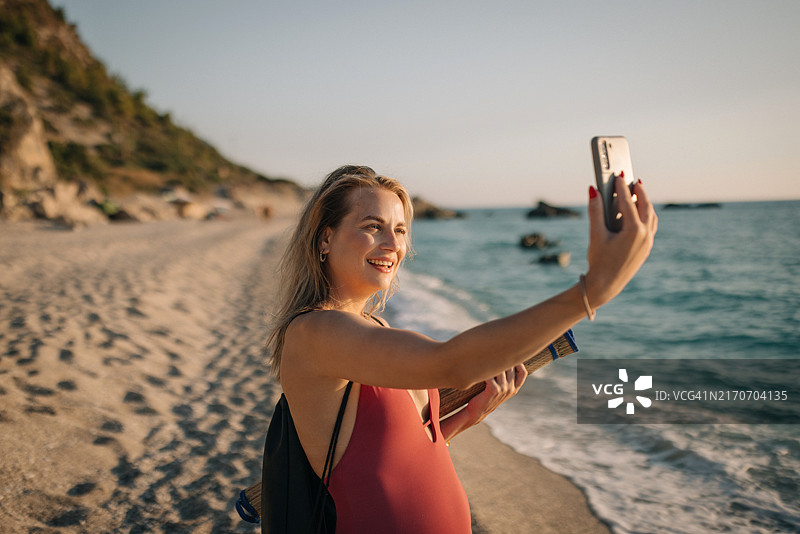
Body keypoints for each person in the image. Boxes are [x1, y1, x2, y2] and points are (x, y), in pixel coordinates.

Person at [267, 165, 657, 533]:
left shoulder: (377, 328)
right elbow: (451, 363)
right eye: (373, 226)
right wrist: (590, 292)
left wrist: (467, 418)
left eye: (401, 229)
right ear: (325, 237)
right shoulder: (314, 332)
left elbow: (397, 458)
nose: (393, 243)